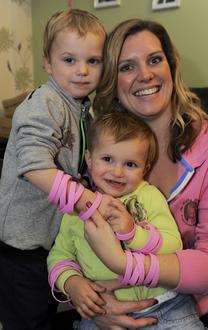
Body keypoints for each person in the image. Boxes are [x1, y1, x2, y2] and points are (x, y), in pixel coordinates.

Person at [81, 19, 208, 330]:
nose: (145, 74)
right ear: (112, 83)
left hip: (200, 310)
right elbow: (68, 242)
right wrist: (92, 303)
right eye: (127, 67)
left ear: (171, 67)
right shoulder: (97, 153)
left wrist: (125, 265)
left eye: (155, 60)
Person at [0, 8, 111, 330]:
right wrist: (88, 201)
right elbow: (34, 166)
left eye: (93, 61)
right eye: (69, 60)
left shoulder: (83, 108)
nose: (82, 71)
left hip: (47, 242)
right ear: (47, 63)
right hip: (20, 248)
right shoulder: (45, 103)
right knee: (29, 320)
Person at [48, 112, 204, 329]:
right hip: (101, 310)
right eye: (108, 159)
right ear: (89, 160)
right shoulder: (76, 209)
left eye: (130, 164)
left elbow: (173, 244)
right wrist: (72, 283)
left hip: (167, 307)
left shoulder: (148, 195)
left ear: (145, 168)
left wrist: (133, 233)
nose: (118, 171)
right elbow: (59, 255)